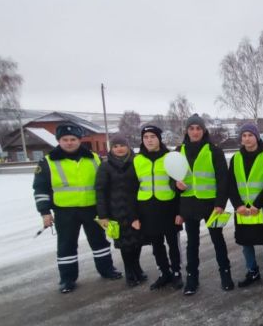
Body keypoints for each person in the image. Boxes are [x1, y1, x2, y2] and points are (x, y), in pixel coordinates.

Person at [33, 122, 121, 293]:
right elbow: (40, 189)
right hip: (65, 211)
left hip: (92, 209)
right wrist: (45, 212)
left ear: (79, 140)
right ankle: (67, 279)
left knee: (100, 242)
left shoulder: (94, 158)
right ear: (59, 141)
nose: (69, 142)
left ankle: (107, 270)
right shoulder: (48, 162)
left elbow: (104, 184)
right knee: (66, 245)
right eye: (65, 139)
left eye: (73, 139)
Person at [176, 114, 233, 295]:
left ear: (203, 130)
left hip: (211, 205)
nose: (195, 132)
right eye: (191, 128)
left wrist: (220, 204)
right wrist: (175, 185)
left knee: (218, 240)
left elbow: (223, 180)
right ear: (187, 130)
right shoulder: (179, 151)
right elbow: (172, 179)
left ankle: (226, 275)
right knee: (192, 243)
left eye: (198, 128)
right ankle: (192, 279)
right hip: (188, 205)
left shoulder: (214, 151)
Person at [228, 123, 263, 289]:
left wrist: (258, 204)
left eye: (250, 135)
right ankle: (253, 272)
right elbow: (231, 185)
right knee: (246, 244)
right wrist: (237, 205)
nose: (247, 138)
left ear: (257, 137)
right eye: (244, 135)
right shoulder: (236, 158)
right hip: (243, 210)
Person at [134, 124, 184, 291]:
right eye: (146, 137)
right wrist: (135, 216)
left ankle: (176, 273)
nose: (149, 140)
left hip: (168, 208)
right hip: (147, 210)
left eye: (152, 137)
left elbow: (178, 187)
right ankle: (164, 273)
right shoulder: (137, 159)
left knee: (173, 244)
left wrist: (179, 212)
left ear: (159, 139)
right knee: (156, 245)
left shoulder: (170, 157)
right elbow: (131, 189)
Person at [95, 134, 147, 287]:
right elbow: (100, 191)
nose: (119, 149)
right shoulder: (105, 166)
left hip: (136, 209)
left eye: (122, 145)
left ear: (128, 146)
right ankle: (129, 272)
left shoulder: (137, 162)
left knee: (137, 241)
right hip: (116, 211)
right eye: (115, 146)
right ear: (111, 148)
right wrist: (103, 215)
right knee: (125, 244)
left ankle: (137, 268)